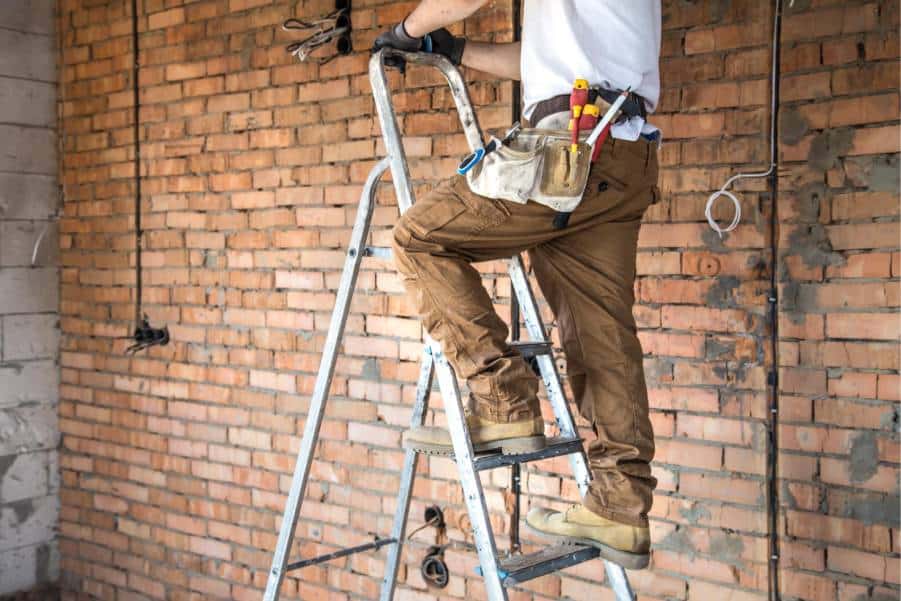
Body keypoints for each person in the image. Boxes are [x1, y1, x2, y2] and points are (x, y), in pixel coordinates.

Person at [372, 0, 661, 570]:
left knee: (421, 240)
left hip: (571, 147)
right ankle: (621, 508)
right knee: (602, 336)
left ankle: (503, 401)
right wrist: (453, 50)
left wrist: (407, 29)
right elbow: (542, 61)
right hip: (622, 153)